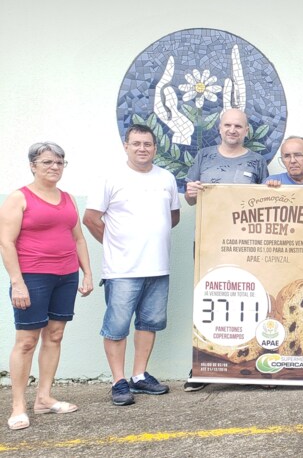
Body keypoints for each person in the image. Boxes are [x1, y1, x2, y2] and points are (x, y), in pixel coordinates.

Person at [83, 125, 181, 406]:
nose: (142, 148)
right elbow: (90, 218)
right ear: (126, 146)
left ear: (155, 148)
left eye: (147, 144)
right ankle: (118, 381)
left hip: (158, 267)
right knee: (116, 327)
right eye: (136, 143)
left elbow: (173, 216)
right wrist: (115, 244)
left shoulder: (167, 178)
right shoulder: (110, 178)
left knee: (149, 324)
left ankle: (139, 376)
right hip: (123, 270)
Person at [1, 142, 93, 431]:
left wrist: (87, 273)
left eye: (60, 162)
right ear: (33, 165)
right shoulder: (19, 198)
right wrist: (18, 282)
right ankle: (18, 406)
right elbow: (6, 242)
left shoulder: (67, 198)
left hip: (66, 276)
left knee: (54, 335)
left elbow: (78, 238)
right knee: (27, 341)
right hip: (32, 277)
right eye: (47, 162)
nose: (54, 167)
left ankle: (44, 398)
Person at [182, 108, 269, 391]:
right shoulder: (204, 157)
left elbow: (266, 202)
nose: (232, 130)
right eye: (228, 125)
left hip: (247, 243)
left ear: (246, 131)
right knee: (210, 300)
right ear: (219, 128)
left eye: (238, 126)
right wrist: (191, 193)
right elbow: (190, 199)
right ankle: (203, 367)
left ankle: (250, 364)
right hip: (209, 242)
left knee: (249, 300)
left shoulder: (257, 161)